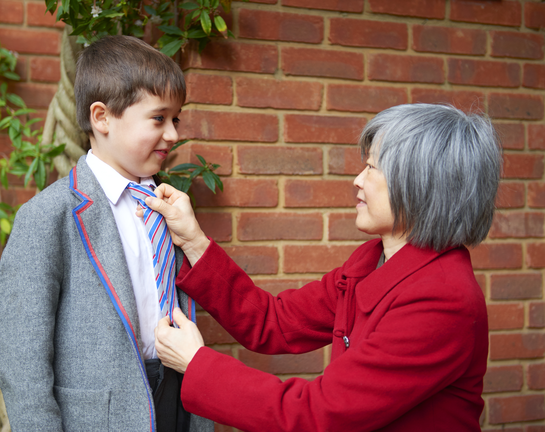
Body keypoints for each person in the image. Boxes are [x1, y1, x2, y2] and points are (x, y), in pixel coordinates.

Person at [146, 103, 502, 432]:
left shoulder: (443, 300)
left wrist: (198, 366)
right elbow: (275, 322)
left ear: (422, 185)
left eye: (373, 167)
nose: (358, 180)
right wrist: (193, 241)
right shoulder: (370, 263)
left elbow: (317, 414)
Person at [0, 35, 213, 432]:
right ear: (102, 117)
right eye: (158, 118)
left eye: (176, 119)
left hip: (178, 400)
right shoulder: (47, 217)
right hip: (99, 418)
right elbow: (21, 360)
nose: (173, 135)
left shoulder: (168, 207)